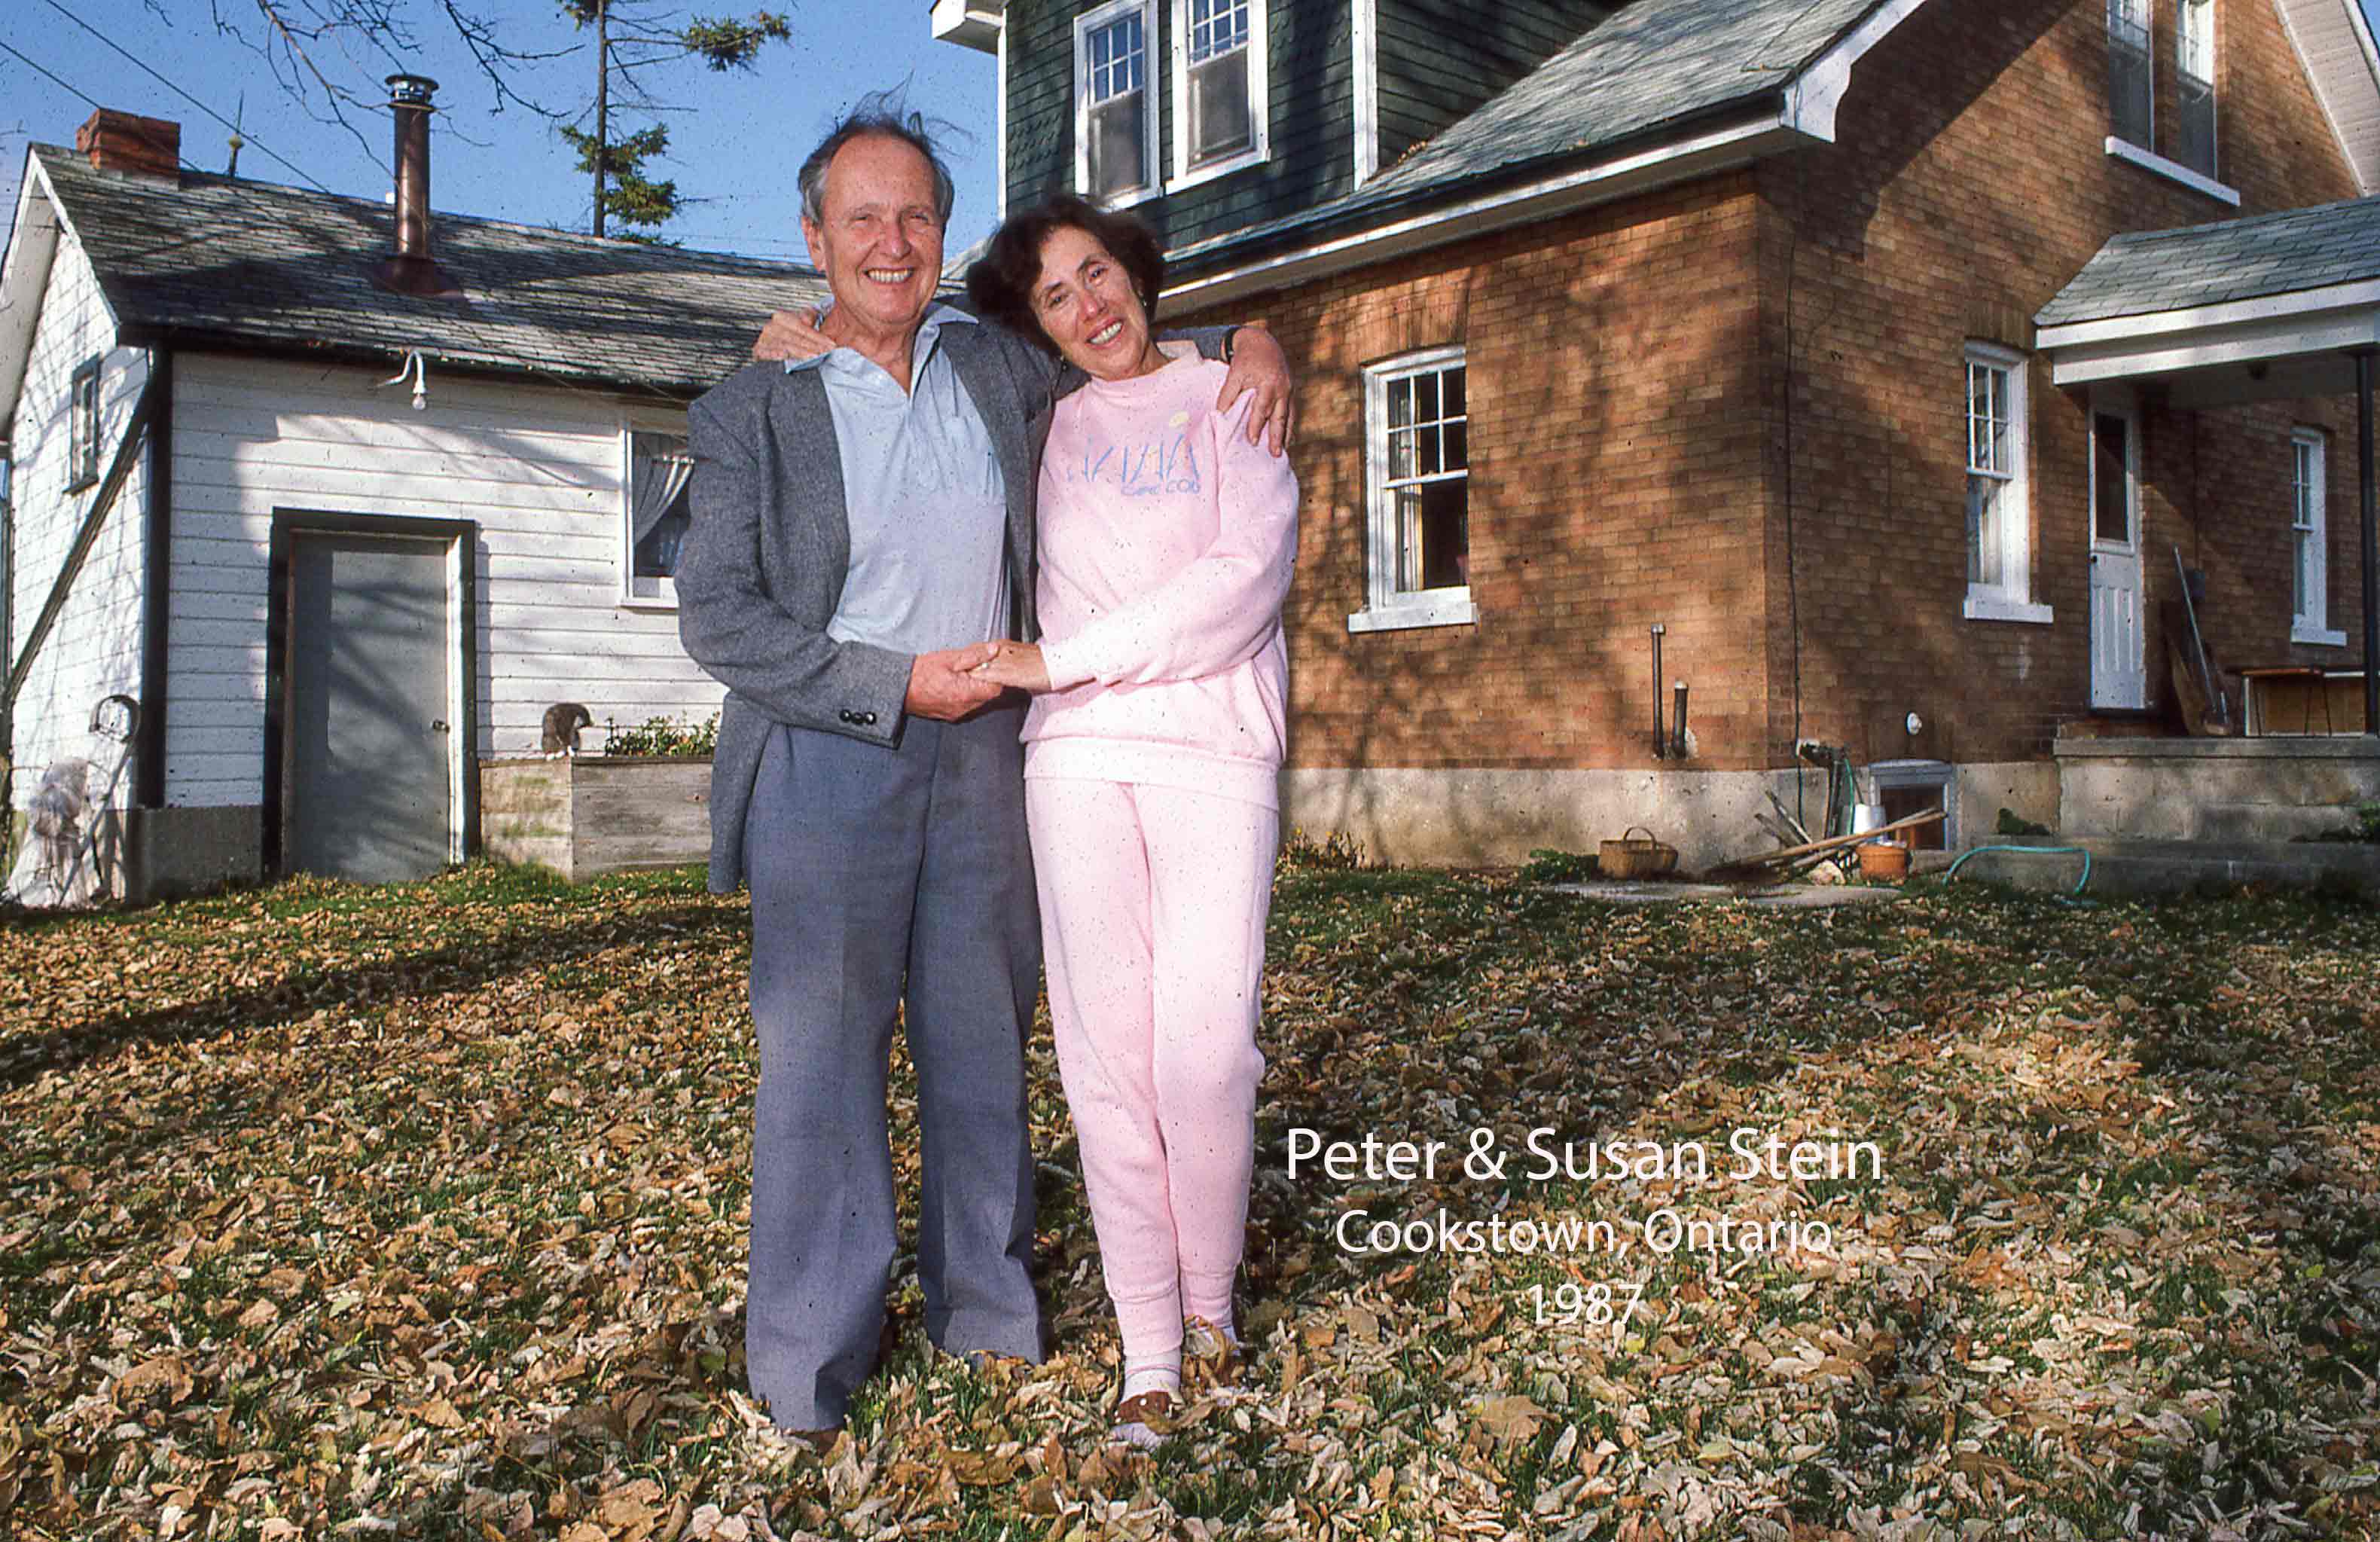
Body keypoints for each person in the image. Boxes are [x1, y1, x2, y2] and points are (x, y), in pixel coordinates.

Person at [676, 102, 1292, 1446]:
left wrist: (1256, 337)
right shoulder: (749, 408)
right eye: (862, 220)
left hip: (994, 763)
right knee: (824, 1065)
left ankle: (986, 1311)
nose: (891, 244)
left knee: (981, 1050)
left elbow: (1122, 343)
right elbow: (718, 614)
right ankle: (809, 1362)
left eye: (915, 219)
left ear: (941, 239)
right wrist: (891, 681)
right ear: (814, 240)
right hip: (828, 752)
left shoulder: (992, 366)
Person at [964, 194, 1297, 1446]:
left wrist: (1064, 658)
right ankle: (1149, 1352)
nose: (1088, 307)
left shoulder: (1233, 396)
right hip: (1076, 768)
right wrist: (799, 334)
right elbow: (903, 347)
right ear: (1037, 325)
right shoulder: (1039, 423)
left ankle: (1212, 1311)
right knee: (1106, 1067)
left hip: (1212, 756)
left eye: (1096, 273)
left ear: (1138, 270)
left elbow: (1241, 585)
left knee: (1204, 1054)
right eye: (1056, 296)